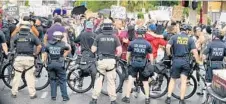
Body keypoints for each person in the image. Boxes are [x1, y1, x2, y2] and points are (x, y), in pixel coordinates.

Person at [165, 24, 201, 104]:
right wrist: (198, 61)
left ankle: (168, 98)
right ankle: (181, 100)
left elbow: (167, 46)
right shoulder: (190, 39)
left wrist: (169, 55)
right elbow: (195, 52)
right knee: (184, 81)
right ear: (187, 30)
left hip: (176, 60)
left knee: (173, 79)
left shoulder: (174, 37)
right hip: (185, 61)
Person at [89, 19, 122, 104]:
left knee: (99, 80)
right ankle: (113, 100)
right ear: (111, 26)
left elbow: (93, 49)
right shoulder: (115, 37)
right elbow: (119, 51)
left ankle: (94, 99)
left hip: (101, 61)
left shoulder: (99, 36)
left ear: (103, 26)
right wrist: (116, 57)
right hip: (111, 61)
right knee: (111, 82)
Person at [122, 27, 154, 104]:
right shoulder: (147, 43)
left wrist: (128, 62)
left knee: (130, 80)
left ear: (136, 34)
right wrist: (151, 64)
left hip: (134, 63)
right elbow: (151, 56)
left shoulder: (132, 43)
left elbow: (128, 55)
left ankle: (127, 97)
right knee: (145, 81)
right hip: (143, 63)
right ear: (144, 34)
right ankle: (147, 98)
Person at [11, 21, 42, 99]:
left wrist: (12, 50)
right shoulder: (32, 36)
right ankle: (32, 94)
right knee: (30, 77)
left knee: (17, 76)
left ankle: (14, 93)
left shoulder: (17, 36)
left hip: (19, 58)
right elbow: (39, 46)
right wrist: (35, 53)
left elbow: (12, 41)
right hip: (29, 59)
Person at [44, 31, 70, 101]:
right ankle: (65, 97)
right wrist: (63, 57)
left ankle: (53, 96)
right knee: (62, 80)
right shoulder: (63, 44)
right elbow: (68, 50)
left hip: (51, 64)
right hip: (59, 64)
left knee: (53, 80)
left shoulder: (48, 44)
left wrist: (45, 62)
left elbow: (45, 53)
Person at [74, 20, 97, 86]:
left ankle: (80, 82)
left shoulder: (82, 34)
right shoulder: (94, 35)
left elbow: (75, 40)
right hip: (92, 54)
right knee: (93, 69)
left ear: (86, 27)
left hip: (84, 54)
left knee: (82, 68)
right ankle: (93, 84)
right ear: (92, 27)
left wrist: (80, 42)